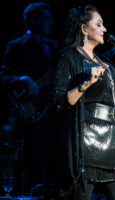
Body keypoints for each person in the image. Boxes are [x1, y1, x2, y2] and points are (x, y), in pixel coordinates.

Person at [51, 4, 115, 200]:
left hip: (113, 144)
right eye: (99, 24)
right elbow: (57, 102)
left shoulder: (105, 61)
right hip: (85, 144)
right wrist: (86, 84)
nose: (105, 29)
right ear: (83, 29)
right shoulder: (68, 57)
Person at [0, 2, 57, 195]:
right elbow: (3, 77)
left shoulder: (54, 45)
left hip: (55, 113)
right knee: (35, 166)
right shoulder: (17, 45)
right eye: (46, 18)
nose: (51, 22)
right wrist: (23, 79)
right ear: (34, 20)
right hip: (33, 116)